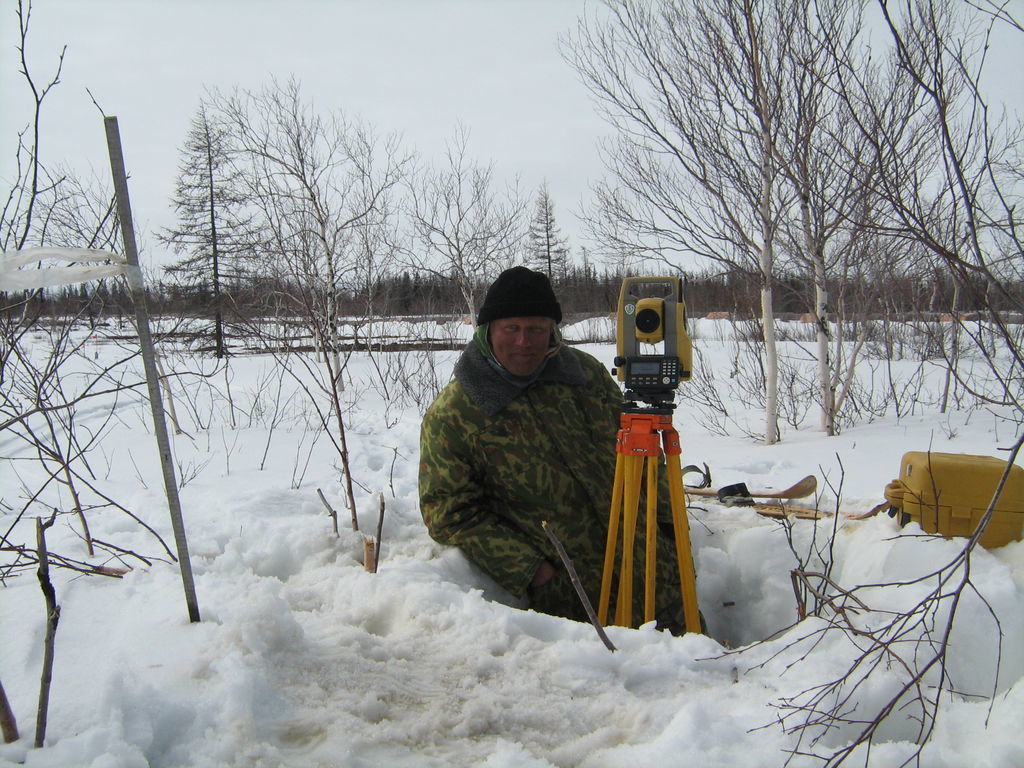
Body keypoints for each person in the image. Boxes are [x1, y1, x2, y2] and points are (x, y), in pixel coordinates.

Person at [418, 266, 687, 629]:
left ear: (552, 331)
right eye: (511, 328)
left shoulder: (584, 376)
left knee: (697, 667)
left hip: (655, 569)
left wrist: (668, 530)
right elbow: (449, 513)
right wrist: (532, 570)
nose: (524, 342)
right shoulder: (456, 414)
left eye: (536, 329)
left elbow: (642, 455)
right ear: (488, 331)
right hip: (573, 597)